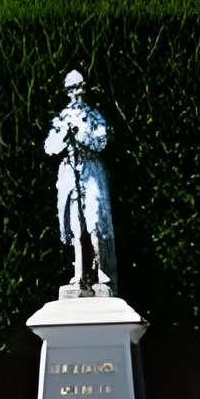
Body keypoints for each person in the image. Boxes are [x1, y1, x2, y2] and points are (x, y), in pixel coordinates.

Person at [44, 69, 117, 295]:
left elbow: (101, 142)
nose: (75, 93)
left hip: (90, 169)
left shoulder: (93, 115)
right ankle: (78, 276)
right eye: (71, 88)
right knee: (75, 225)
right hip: (69, 171)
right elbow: (49, 147)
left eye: (79, 87)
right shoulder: (61, 118)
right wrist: (64, 138)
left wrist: (81, 137)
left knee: (95, 221)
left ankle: (103, 274)